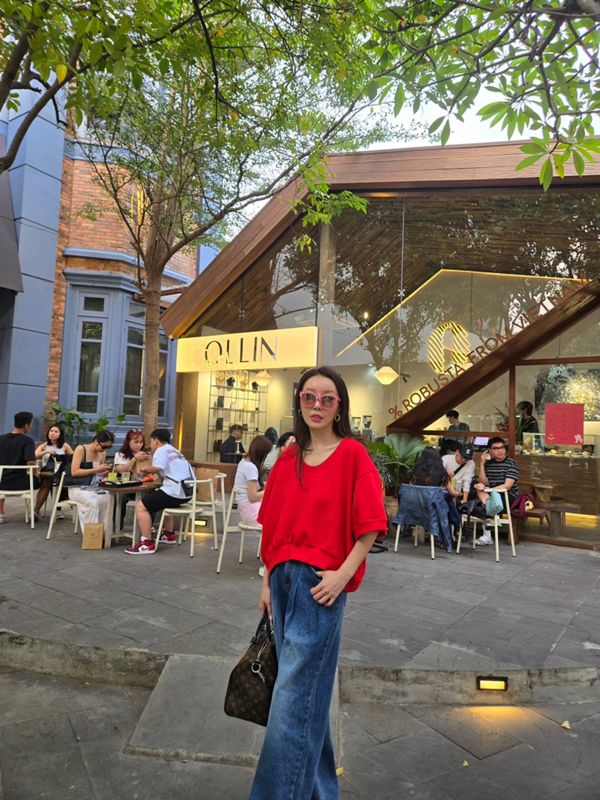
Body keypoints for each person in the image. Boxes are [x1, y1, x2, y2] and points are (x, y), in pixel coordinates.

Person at [250, 366, 387, 800]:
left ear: (339, 406)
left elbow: (371, 525)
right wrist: (267, 581)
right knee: (304, 697)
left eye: (327, 399)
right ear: (299, 402)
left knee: (291, 699)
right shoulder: (288, 458)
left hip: (318, 586)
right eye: (309, 397)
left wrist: (343, 576)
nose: (317, 405)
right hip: (282, 580)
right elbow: (272, 524)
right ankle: (321, 793)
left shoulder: (352, 455)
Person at [125, 428, 194, 555]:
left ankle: (147, 543)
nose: (150, 444)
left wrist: (144, 470)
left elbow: (157, 468)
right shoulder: (175, 451)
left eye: (151, 441)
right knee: (161, 501)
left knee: (141, 506)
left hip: (174, 491)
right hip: (187, 493)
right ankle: (169, 534)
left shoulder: (161, 450)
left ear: (156, 441)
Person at [473, 436, 520, 546]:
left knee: (483, 505)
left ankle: (487, 535)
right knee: (479, 488)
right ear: (489, 451)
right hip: (491, 495)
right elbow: (483, 482)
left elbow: (507, 486)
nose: (500, 451)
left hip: (509, 495)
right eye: (495, 448)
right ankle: (489, 513)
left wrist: (488, 489)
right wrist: (482, 464)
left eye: (502, 448)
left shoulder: (511, 464)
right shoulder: (489, 464)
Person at [67, 430, 114, 530]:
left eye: (108, 447)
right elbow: (74, 472)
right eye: (104, 446)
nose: (105, 449)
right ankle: (91, 534)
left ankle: (104, 532)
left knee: (108, 499)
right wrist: (96, 470)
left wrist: (105, 471)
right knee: (92, 502)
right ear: (96, 441)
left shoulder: (102, 454)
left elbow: (98, 474)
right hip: (78, 487)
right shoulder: (81, 449)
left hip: (94, 486)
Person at [0, 411, 38, 523]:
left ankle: (0, 513)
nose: (30, 427)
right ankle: (33, 512)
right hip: (20, 483)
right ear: (26, 425)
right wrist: (36, 474)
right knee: (42, 480)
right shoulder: (27, 441)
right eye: (30, 424)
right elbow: (31, 462)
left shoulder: (1, 439)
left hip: (1, 482)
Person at [34, 424, 74, 517]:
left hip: (60, 472)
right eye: (51, 431)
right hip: (46, 472)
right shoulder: (44, 445)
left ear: (60, 434)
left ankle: (57, 508)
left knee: (57, 480)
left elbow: (73, 458)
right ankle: (36, 511)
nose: (53, 433)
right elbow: (35, 455)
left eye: (56, 432)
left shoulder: (65, 446)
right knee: (47, 482)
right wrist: (47, 451)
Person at [233, 435, 273, 525]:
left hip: (245, 508)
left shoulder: (244, 462)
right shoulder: (251, 467)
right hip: (251, 510)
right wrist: (271, 490)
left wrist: (270, 485)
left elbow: (253, 486)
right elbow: (253, 497)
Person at [113, 429, 147, 529]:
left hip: (141, 486)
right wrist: (134, 459)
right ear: (128, 442)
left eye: (141, 442)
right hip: (125, 486)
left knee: (152, 498)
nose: (139, 445)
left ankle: (146, 527)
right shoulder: (120, 454)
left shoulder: (145, 454)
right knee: (120, 498)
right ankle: (117, 526)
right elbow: (121, 470)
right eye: (136, 442)